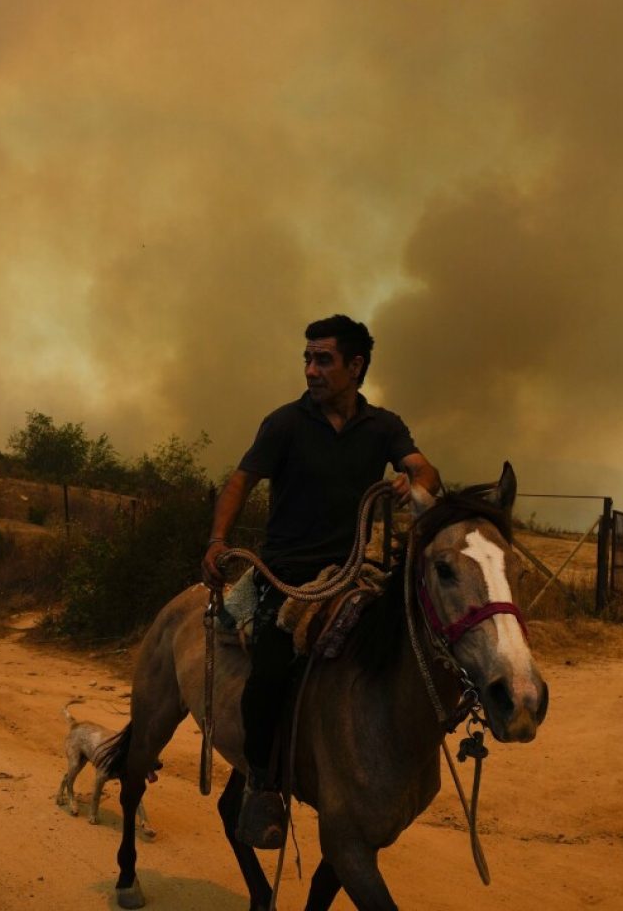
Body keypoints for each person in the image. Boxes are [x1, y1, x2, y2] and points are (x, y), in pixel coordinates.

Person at [201, 314, 440, 849]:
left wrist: (411, 480)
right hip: (285, 577)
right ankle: (263, 783)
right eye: (307, 358)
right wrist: (217, 541)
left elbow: (426, 471)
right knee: (269, 670)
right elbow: (242, 480)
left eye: (323, 359)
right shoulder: (285, 423)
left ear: (355, 366)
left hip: (355, 570)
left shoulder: (382, 426)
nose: (310, 369)